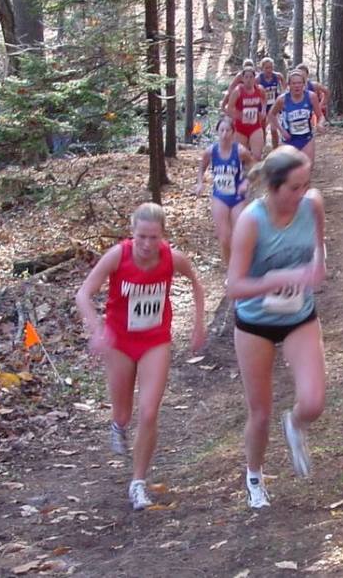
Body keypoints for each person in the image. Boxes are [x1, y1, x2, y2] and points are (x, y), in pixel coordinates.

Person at [76, 203, 205, 511]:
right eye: (142, 237)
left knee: (148, 412)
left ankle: (138, 483)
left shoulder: (172, 259)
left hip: (154, 340)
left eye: (154, 237)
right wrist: (97, 330)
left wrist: (200, 324)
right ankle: (118, 425)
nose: (147, 245)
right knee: (123, 413)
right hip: (119, 340)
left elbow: (197, 284)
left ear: (163, 236)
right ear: (132, 233)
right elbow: (83, 293)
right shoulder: (117, 256)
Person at [226, 146, 327, 509]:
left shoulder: (312, 204)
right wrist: (278, 278)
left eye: (306, 185)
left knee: (314, 402)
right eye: (295, 188)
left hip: (300, 314)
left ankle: (296, 424)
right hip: (255, 322)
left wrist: (317, 265)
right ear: (273, 187)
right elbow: (234, 286)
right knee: (261, 412)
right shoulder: (252, 221)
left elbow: (318, 248)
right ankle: (254, 476)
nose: (303, 193)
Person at [194, 115, 255, 267]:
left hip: (237, 197)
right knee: (224, 238)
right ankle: (231, 270)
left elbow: (255, 167)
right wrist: (200, 183)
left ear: (233, 133)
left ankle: (243, 264)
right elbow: (202, 167)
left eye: (228, 130)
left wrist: (246, 182)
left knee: (239, 235)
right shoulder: (210, 151)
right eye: (221, 130)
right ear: (217, 132)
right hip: (219, 196)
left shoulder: (240, 151)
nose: (224, 134)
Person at [267, 70, 324, 165]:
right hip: (288, 139)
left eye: (299, 83)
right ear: (289, 85)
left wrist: (320, 124)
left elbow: (320, 116)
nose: (297, 86)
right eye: (293, 83)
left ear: (304, 84)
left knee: (307, 168)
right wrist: (281, 130)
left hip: (306, 138)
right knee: (287, 172)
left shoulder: (311, 96)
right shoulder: (282, 99)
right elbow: (271, 115)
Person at [228, 66, 267, 160]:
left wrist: (263, 111)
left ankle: (254, 173)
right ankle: (243, 174)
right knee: (241, 158)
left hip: (255, 126)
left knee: (257, 157)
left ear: (254, 78)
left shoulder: (260, 89)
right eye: (246, 77)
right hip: (240, 128)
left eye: (251, 77)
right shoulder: (237, 91)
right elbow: (229, 108)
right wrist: (239, 116)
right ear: (242, 79)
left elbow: (264, 100)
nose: (249, 80)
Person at [257, 57, 285, 148]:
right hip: (262, 106)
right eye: (266, 68)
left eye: (271, 67)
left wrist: (283, 94)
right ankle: (263, 147)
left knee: (273, 129)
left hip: (274, 105)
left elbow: (284, 85)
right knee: (262, 128)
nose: (269, 70)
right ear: (262, 68)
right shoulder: (258, 79)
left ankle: (275, 149)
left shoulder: (277, 76)